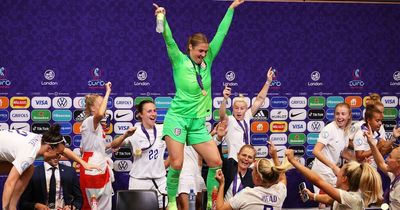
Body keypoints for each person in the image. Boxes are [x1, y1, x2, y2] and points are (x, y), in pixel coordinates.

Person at [153, 0, 245, 209]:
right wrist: (163, 18)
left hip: (197, 123)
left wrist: (230, 10)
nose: (203, 54)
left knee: (216, 162)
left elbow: (221, 34)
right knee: (177, 163)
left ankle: (213, 202)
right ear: (190, 48)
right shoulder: (179, 60)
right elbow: (169, 40)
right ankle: (172, 202)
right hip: (177, 117)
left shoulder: (208, 60)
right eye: (199, 51)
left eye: (205, 51)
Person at [0, 125, 97, 210]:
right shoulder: (28, 154)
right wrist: (4, 208)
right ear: (49, 149)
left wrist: (83, 163)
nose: (59, 157)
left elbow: (64, 150)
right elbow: (9, 183)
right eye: (58, 154)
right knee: (27, 170)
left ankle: (12, 206)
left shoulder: (44, 141)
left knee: (29, 169)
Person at [80, 82, 136, 210]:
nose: (104, 108)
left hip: (100, 167)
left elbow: (109, 145)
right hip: (93, 169)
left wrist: (125, 135)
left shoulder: (96, 126)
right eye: (100, 105)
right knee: (93, 207)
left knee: (104, 206)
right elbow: (99, 114)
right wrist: (107, 92)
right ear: (93, 109)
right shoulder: (90, 121)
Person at [113, 100, 168, 210]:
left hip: (160, 181)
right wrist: (125, 135)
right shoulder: (134, 131)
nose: (153, 114)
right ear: (140, 115)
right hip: (139, 181)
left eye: (155, 110)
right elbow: (113, 146)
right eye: (149, 111)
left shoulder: (163, 129)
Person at [287, 149, 383, 210]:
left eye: (339, 170)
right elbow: (331, 200)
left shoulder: (353, 199)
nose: (336, 172)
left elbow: (318, 181)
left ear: (344, 179)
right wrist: (313, 196)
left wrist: (293, 161)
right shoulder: (347, 194)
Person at [215, 142, 290, 210]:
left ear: (257, 177)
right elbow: (282, 178)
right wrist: (274, 156)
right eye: (244, 155)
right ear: (237, 155)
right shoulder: (279, 192)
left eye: (253, 169)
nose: (246, 159)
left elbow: (220, 209)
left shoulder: (247, 194)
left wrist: (221, 184)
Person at [219, 68, 273, 161]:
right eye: (236, 108)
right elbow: (222, 115)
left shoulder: (247, 116)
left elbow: (260, 99)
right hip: (233, 160)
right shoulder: (230, 120)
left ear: (246, 109)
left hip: (247, 159)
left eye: (242, 108)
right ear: (233, 109)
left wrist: (268, 81)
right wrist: (224, 99)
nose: (239, 111)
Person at [311, 102, 353, 208]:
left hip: (330, 171)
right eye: (337, 114)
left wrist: (358, 162)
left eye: (343, 114)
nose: (340, 117)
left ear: (349, 115)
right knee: (328, 201)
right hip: (322, 171)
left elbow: (343, 152)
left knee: (330, 201)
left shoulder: (346, 130)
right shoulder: (329, 129)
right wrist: (333, 166)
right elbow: (316, 151)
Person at [19, 155, 83, 210]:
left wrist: (72, 207)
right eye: (53, 154)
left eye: (58, 155)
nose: (56, 157)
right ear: (45, 153)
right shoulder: (33, 173)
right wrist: (36, 205)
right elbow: (23, 202)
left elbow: (79, 198)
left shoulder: (70, 171)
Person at [365, 124, 400, 209]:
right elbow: (380, 163)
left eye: (390, 157)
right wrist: (372, 144)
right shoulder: (395, 175)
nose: (386, 159)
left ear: (398, 163)